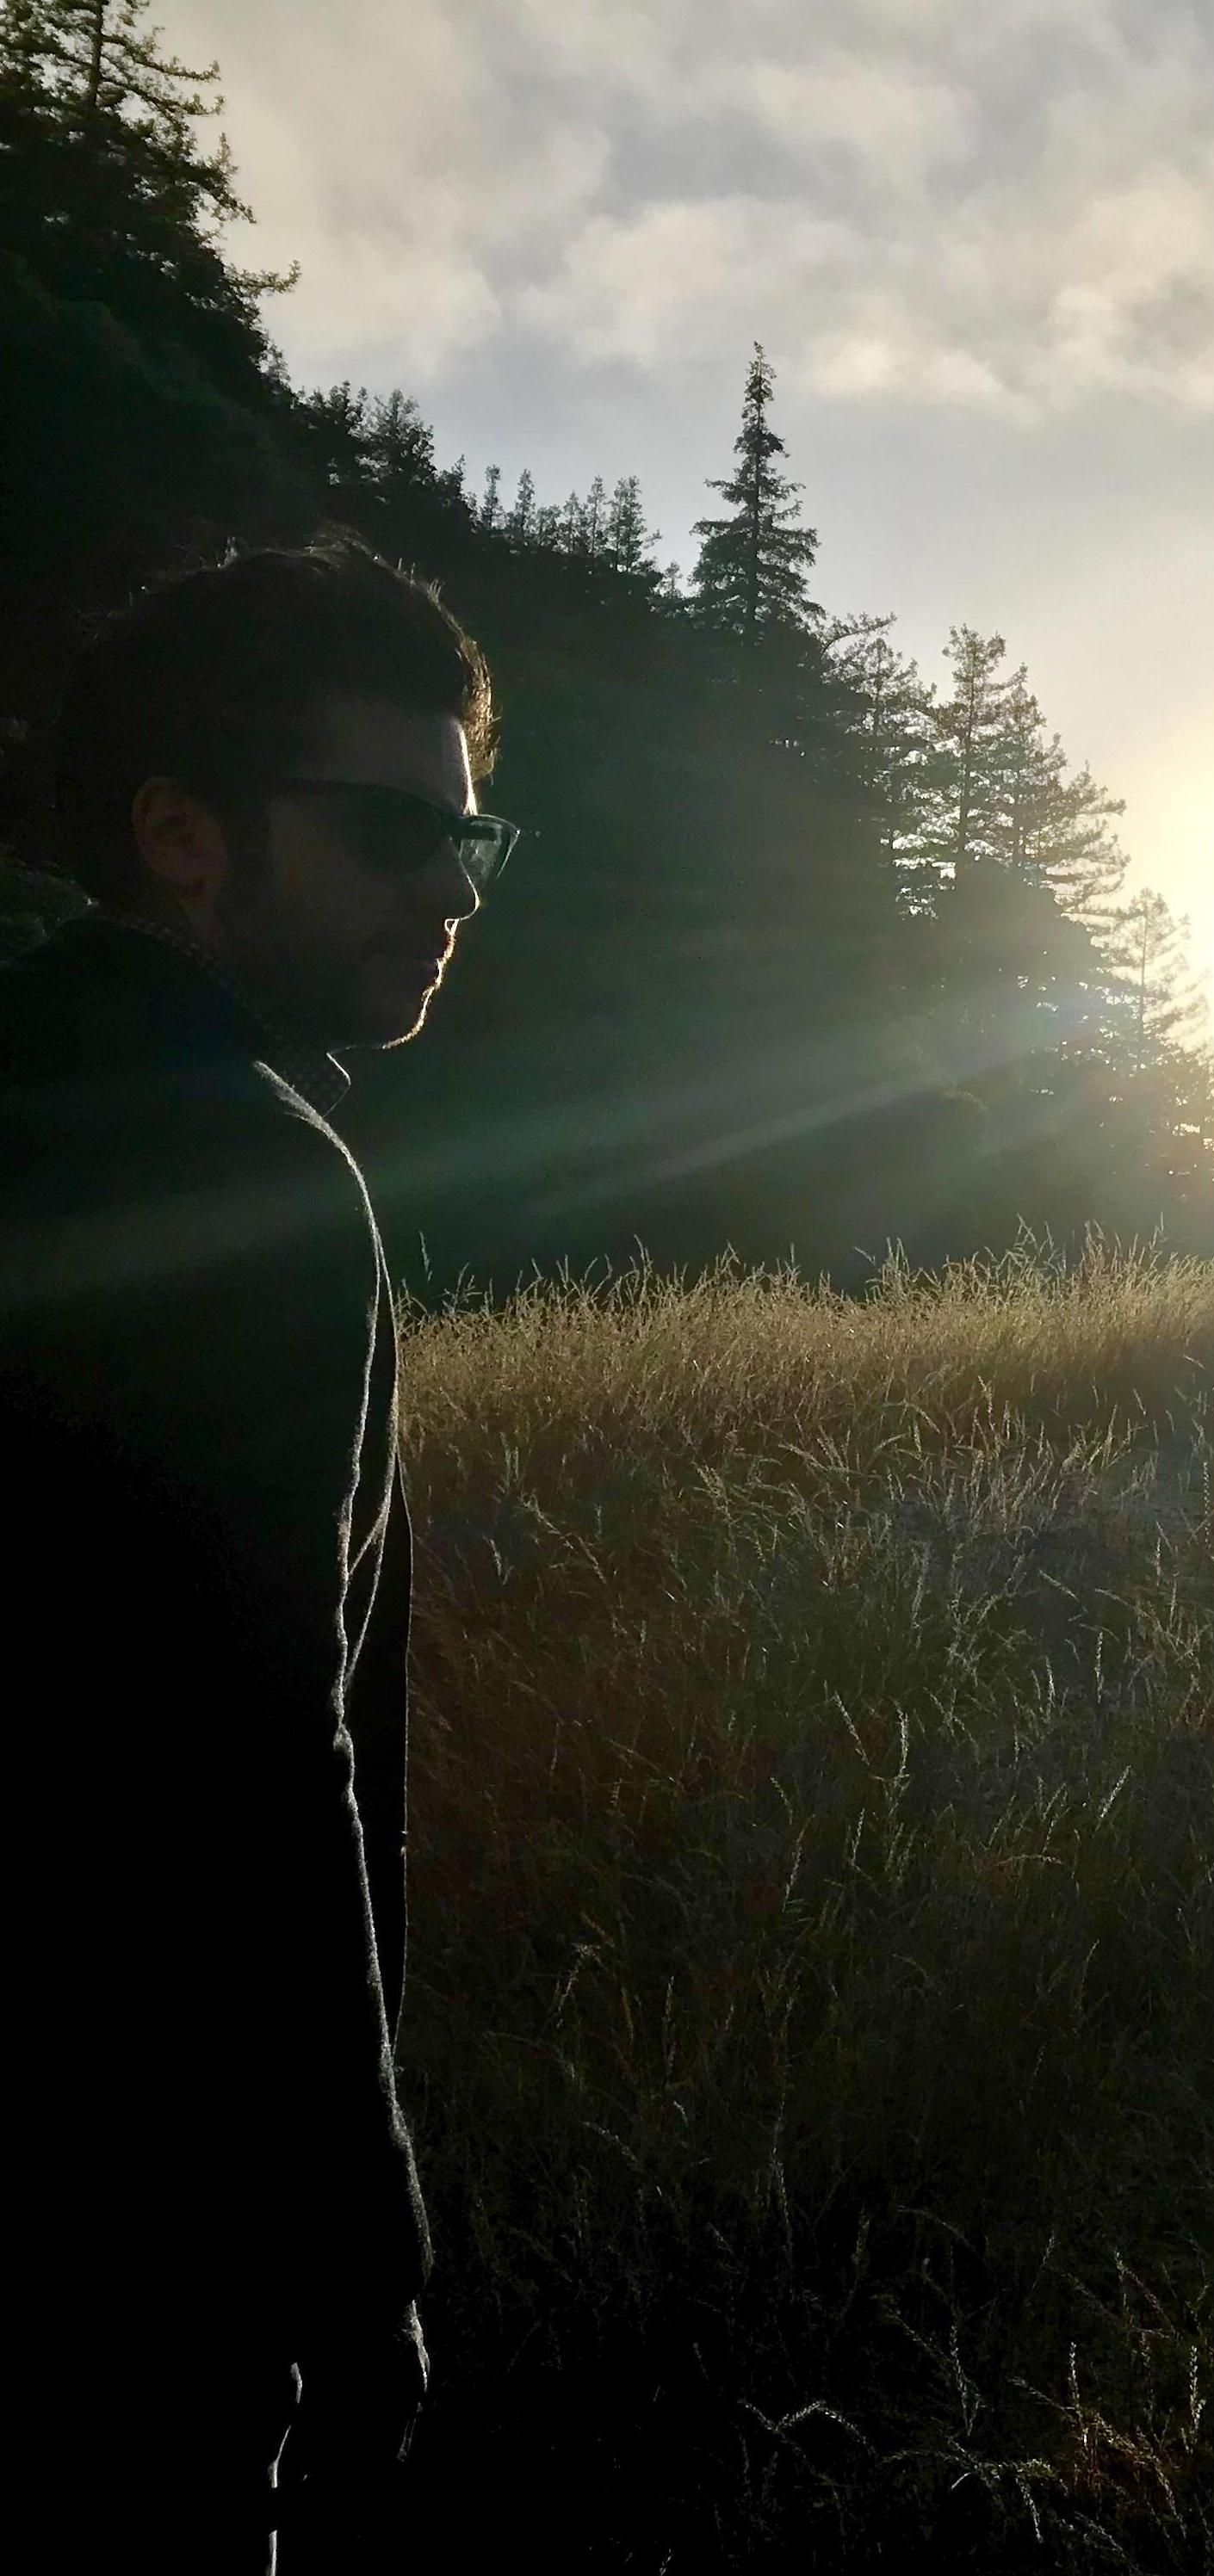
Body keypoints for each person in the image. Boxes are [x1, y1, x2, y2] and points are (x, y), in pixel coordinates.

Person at [0, 539, 515, 2566]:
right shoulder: (247, 1170)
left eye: (476, 840)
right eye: (394, 834)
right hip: (125, 2218)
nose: (453, 895)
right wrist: (357, 2244)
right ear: (182, 834)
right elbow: (250, 1758)